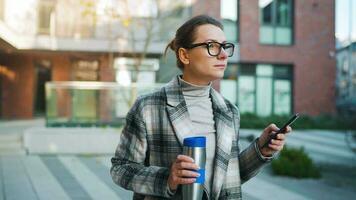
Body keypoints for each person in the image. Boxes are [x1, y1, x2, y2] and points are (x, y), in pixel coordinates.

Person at [111, 15, 291, 200]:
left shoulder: (229, 111)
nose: (222, 54)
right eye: (211, 46)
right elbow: (121, 168)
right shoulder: (148, 107)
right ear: (184, 55)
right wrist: (167, 178)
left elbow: (229, 178)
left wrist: (261, 150)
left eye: (224, 46)